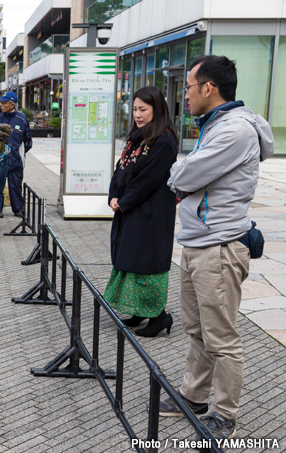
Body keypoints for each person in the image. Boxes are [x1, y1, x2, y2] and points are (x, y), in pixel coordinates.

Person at [163, 55, 274, 440]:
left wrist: (181, 173)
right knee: (197, 330)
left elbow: (184, 175)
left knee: (221, 337)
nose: (186, 96)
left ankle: (224, 414)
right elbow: (190, 176)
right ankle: (193, 397)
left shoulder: (234, 131)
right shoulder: (216, 125)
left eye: (189, 88)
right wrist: (185, 174)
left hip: (219, 247)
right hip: (199, 243)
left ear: (208, 88)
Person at [103, 86, 178, 338]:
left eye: (143, 109)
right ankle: (139, 311)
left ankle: (159, 316)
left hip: (150, 213)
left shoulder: (164, 140)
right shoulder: (137, 137)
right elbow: (119, 168)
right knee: (130, 260)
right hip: (130, 208)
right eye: (135, 109)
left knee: (146, 264)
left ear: (157, 109)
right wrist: (113, 195)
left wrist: (124, 201)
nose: (137, 114)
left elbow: (149, 178)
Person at [0, 91, 32, 219]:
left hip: (15, 159)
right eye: (1, 102)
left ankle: (18, 208)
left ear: (12, 104)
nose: (1, 105)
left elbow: (28, 141)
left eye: (4, 103)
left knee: (15, 184)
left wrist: (18, 152)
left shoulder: (21, 119)